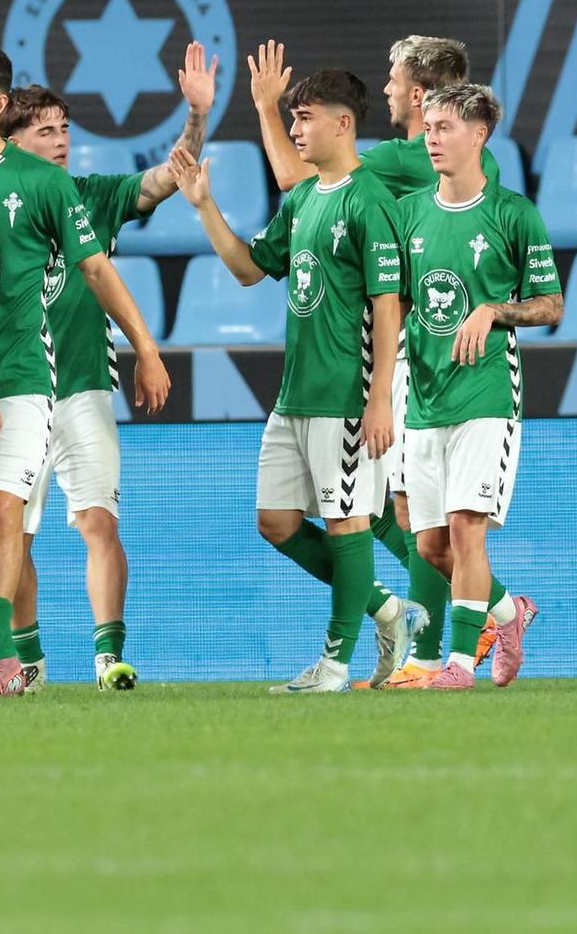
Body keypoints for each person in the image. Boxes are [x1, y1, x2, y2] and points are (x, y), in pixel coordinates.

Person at [248, 36, 522, 686]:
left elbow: (301, 177)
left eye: (395, 80)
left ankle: (433, 645)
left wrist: (264, 108)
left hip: (413, 350)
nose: (389, 90)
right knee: (401, 514)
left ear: (421, 93)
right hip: (440, 345)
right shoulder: (478, 163)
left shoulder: (400, 158)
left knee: (402, 512)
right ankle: (485, 616)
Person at [0, 41, 169, 697]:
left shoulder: (43, 185)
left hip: (27, 381)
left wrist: (145, 347)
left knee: (7, 510)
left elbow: (96, 269)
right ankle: (12, 656)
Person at [169, 69, 411, 694]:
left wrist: (378, 397)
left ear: (344, 123)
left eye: (306, 118)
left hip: (346, 396)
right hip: (294, 393)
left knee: (347, 524)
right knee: (275, 521)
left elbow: (390, 304)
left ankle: (334, 665)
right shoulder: (303, 200)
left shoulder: (370, 200)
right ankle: (388, 609)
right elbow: (251, 269)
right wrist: (203, 206)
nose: (295, 129)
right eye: (293, 117)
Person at [0, 44, 214, 691]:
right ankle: (28, 661)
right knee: (14, 534)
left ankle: (106, 656)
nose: (61, 141)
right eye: (45, 131)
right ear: (11, 141)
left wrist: (196, 117)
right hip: (12, 392)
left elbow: (166, 178)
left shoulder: (90, 195)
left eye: (65, 130)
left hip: (84, 385)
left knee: (99, 521)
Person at [391, 83, 560, 689]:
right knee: (432, 545)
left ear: (478, 135)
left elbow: (551, 305)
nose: (432, 138)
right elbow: (398, 304)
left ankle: (460, 664)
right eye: (428, 127)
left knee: (467, 528)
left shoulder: (514, 213)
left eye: (444, 127)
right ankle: (511, 612)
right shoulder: (408, 212)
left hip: (487, 393)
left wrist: (493, 310)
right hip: (424, 397)